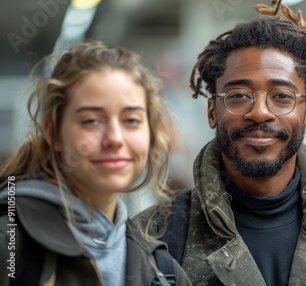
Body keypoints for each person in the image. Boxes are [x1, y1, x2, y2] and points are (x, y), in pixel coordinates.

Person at [138, 1, 306, 285]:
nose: (259, 112)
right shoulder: (150, 238)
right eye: (238, 96)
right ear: (212, 111)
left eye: (282, 96)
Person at [0, 41, 191, 286]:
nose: (114, 138)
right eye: (91, 121)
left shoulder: (163, 271)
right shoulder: (11, 246)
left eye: (131, 120)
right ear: (53, 133)